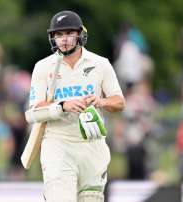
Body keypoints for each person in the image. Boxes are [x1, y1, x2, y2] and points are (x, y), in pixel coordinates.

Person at [26, 11, 125, 202]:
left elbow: (119, 102)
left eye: (69, 34)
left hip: (92, 145)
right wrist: (62, 105)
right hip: (58, 144)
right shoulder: (43, 67)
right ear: (52, 37)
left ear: (80, 35)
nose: (64, 40)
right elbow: (33, 112)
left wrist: (101, 101)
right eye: (59, 35)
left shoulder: (100, 64)